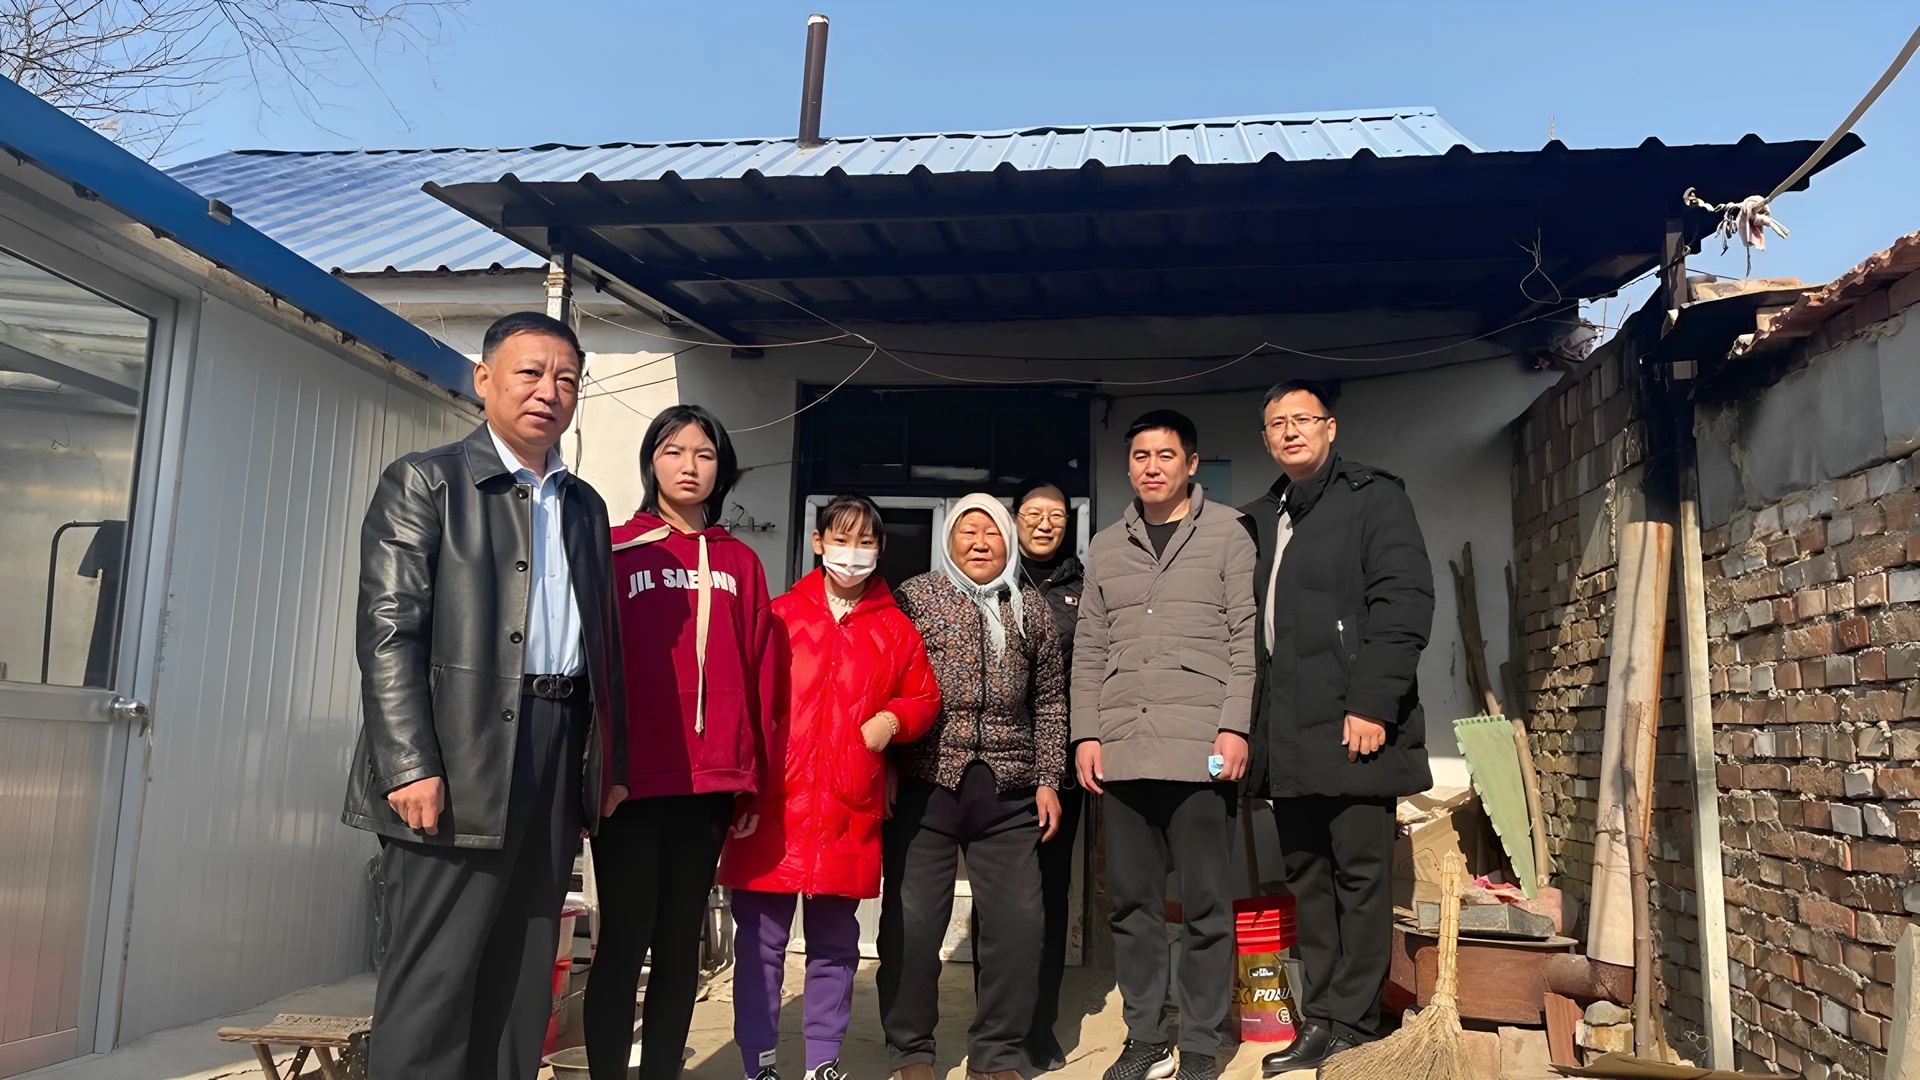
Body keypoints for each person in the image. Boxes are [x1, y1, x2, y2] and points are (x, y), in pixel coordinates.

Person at [346, 311, 628, 1080]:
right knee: (436, 980)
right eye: (530, 372)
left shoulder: (585, 506)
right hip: (458, 748)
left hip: (557, 748)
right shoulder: (427, 481)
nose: (548, 392)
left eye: (566, 379)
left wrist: (609, 764)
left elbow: (604, 646)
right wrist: (409, 764)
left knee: (523, 973)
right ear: (484, 380)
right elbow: (388, 634)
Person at [1240, 380, 1434, 1075]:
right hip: (1287, 731)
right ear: (1266, 439)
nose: (1290, 431)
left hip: (1354, 723)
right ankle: (1320, 1018)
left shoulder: (1374, 498)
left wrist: (1374, 703)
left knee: (1359, 876)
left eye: (1303, 419)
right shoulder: (1263, 515)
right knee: (1307, 878)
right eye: (1277, 424)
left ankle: (1353, 1022)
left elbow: (1404, 602)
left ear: (1330, 428)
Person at [718, 494, 944, 1080]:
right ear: (817, 543)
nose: (852, 552)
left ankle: (822, 1062)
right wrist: (741, 790)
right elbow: (743, 706)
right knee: (760, 945)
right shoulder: (778, 616)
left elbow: (924, 696)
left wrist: (892, 720)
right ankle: (760, 1062)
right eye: (841, 539)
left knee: (836, 948)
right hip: (773, 807)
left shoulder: (896, 629)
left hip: (848, 808)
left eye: (865, 541)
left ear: (880, 549)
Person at [588, 404, 776, 1080]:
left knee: (679, 947)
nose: (689, 466)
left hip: (710, 783)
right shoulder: (615, 550)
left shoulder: (741, 562)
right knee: (622, 942)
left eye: (704, 454)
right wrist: (596, 770)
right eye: (673, 451)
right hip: (630, 782)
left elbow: (759, 672)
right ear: (651, 463)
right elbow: (591, 668)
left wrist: (752, 781)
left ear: (721, 469)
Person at [1071, 410, 1257, 1080]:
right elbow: (1090, 647)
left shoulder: (1229, 532)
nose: (1152, 467)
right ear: (1129, 467)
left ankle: (1201, 1043)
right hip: (1123, 750)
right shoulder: (1106, 546)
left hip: (1201, 750)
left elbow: (1245, 638)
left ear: (1191, 463)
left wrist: (1235, 726)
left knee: (1206, 905)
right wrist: (1086, 733)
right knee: (1132, 905)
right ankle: (1146, 1037)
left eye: (1166, 455)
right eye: (1141, 456)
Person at [883, 494, 1070, 1080]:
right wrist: (884, 768)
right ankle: (911, 1050)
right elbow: (886, 682)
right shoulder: (916, 597)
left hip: (1009, 795)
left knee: (1018, 928)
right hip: (927, 786)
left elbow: (1049, 700)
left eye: (992, 532)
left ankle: (996, 1054)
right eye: (968, 530)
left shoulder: (1029, 607)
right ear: (949, 539)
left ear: (1008, 543)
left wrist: (1048, 778)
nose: (981, 542)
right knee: (913, 927)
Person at [1008, 480, 1087, 1071]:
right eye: (1033, 514)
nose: (1043, 524)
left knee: (1050, 894)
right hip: (997, 762)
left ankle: (1040, 1026)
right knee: (1001, 899)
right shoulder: (990, 581)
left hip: (1058, 766)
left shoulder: (1085, 588)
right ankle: (999, 1024)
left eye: (1055, 515)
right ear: (1015, 520)